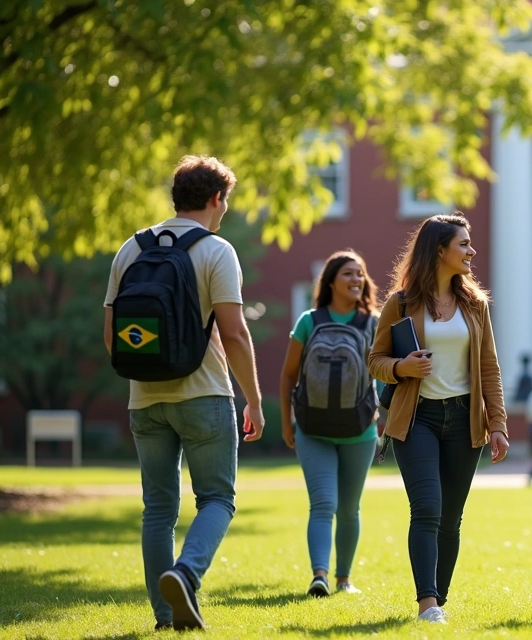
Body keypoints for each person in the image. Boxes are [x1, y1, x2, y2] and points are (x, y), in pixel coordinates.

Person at [103, 155, 264, 631]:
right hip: (205, 396)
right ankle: (186, 573)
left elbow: (112, 335)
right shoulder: (217, 250)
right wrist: (253, 398)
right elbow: (234, 334)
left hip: (144, 399)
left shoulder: (130, 249)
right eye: (226, 201)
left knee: (158, 508)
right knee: (217, 499)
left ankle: (163, 616)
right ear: (217, 198)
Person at [368, 213, 509, 624]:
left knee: (451, 518)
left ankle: (438, 600)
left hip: (465, 419)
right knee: (427, 506)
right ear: (439, 250)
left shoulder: (474, 304)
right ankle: (427, 602)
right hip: (417, 419)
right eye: (463, 244)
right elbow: (375, 360)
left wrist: (497, 424)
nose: (471, 251)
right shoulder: (401, 303)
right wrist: (401, 368)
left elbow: (490, 368)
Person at [279, 250, 380, 597]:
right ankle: (319, 576)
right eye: (349, 274)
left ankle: (344, 578)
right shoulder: (309, 320)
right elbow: (288, 376)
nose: (356, 280)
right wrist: (286, 423)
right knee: (323, 503)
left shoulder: (374, 322)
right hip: (312, 429)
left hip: (360, 430)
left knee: (349, 508)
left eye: (360, 274)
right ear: (331, 281)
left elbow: (385, 374)